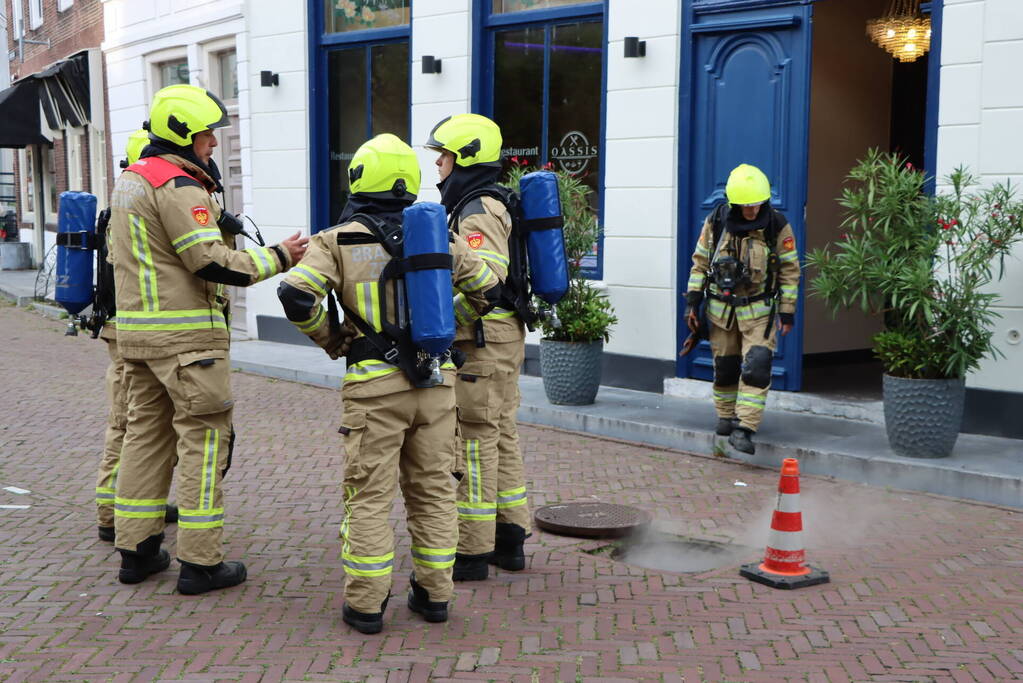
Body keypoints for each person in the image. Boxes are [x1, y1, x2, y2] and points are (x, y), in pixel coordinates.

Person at [276, 133, 502, 634]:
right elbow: (489, 290)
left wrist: (331, 339)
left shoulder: (336, 240)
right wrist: (448, 329)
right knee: (435, 493)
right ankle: (434, 597)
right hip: (436, 385)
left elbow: (295, 295)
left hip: (373, 390)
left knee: (370, 497)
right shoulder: (440, 236)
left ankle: (366, 605)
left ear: (359, 178)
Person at [108, 84, 308, 593]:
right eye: (206, 134)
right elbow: (213, 262)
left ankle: (137, 551)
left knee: (145, 441)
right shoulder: (179, 188)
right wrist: (281, 257)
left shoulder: (131, 181)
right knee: (203, 441)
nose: (214, 143)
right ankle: (200, 563)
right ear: (182, 135)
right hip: (188, 342)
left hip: (139, 340)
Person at [424, 114, 531, 581]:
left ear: (465, 157)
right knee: (501, 434)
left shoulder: (477, 209)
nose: (439, 166)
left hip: (484, 342)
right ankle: (510, 539)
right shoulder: (486, 201)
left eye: (444, 156)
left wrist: (448, 324)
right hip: (503, 338)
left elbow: (486, 281)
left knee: (474, 442)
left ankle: (471, 551)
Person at [94, 128, 179, 543]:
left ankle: (135, 506)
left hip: (128, 328)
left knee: (137, 426)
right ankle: (113, 514)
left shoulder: (124, 204)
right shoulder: (133, 209)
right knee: (130, 424)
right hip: (130, 329)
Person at [684, 164, 800, 455]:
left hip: (758, 312)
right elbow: (700, 262)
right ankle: (725, 416)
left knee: (757, 369)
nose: (751, 211)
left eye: (756, 205)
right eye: (745, 206)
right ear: (735, 204)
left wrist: (787, 311)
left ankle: (745, 428)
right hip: (721, 312)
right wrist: (692, 302)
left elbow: (789, 270)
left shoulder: (777, 225)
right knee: (725, 367)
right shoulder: (716, 222)